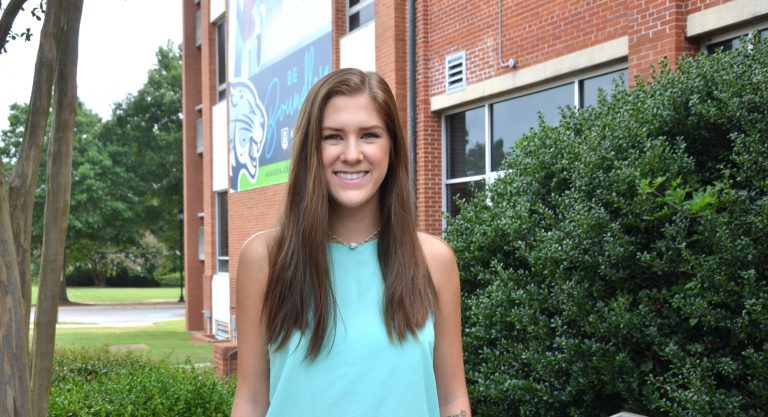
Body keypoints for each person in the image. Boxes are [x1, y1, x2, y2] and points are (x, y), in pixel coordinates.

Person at [230, 68, 471, 417]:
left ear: (392, 147)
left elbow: (452, 400)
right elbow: (251, 399)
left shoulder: (434, 260)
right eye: (333, 137)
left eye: (370, 135)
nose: (353, 154)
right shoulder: (265, 259)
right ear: (310, 149)